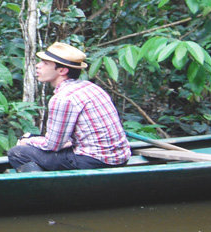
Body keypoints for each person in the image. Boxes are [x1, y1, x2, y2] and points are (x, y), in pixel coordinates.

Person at [8, 42, 131, 172]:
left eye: (45, 63)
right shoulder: (91, 87)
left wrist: (27, 141)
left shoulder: (63, 98)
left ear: (62, 70)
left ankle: (45, 189)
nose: (38, 66)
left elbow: (53, 145)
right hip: (120, 158)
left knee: (17, 153)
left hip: (95, 161)